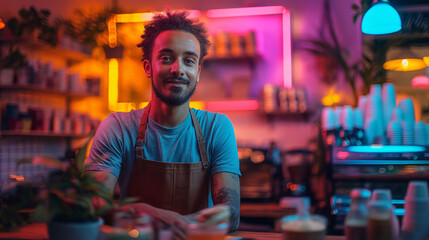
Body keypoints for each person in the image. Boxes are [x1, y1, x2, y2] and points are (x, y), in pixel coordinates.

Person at [85, 10, 241, 239]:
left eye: (189, 61)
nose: (178, 69)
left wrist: (168, 222)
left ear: (197, 72)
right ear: (148, 67)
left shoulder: (217, 128)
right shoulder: (118, 126)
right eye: (167, 58)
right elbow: (91, 204)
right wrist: (144, 211)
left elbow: (231, 215)